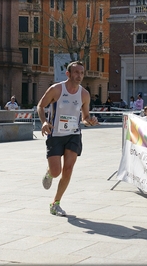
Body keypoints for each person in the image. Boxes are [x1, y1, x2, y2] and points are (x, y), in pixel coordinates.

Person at [37, 61, 99, 216]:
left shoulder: (84, 94)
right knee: (56, 171)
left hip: (73, 134)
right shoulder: (56, 89)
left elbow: (84, 117)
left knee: (68, 169)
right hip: (56, 134)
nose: (79, 76)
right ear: (68, 74)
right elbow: (40, 106)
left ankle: (55, 203)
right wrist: (44, 122)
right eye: (76, 72)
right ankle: (50, 172)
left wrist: (89, 122)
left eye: (82, 72)